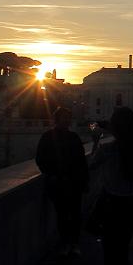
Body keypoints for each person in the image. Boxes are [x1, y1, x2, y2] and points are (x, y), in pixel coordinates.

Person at [89, 107, 133, 265]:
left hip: (111, 205)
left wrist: (96, 140)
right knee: (123, 251)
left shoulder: (107, 149)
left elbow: (92, 165)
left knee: (110, 253)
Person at [35, 107, 89, 256]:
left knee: (74, 214)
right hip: (60, 182)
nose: (67, 121)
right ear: (57, 120)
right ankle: (67, 243)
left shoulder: (71, 137)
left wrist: (84, 181)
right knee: (64, 215)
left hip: (72, 182)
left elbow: (81, 162)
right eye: (64, 118)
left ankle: (72, 243)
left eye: (68, 118)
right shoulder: (51, 137)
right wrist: (52, 174)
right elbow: (40, 159)